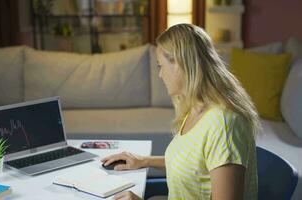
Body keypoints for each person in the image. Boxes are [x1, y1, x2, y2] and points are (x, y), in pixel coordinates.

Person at [101, 23, 260, 200]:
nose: (160, 75)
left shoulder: (224, 124)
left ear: (180, 64)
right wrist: (143, 161)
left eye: (161, 66)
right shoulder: (196, 108)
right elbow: (193, 166)